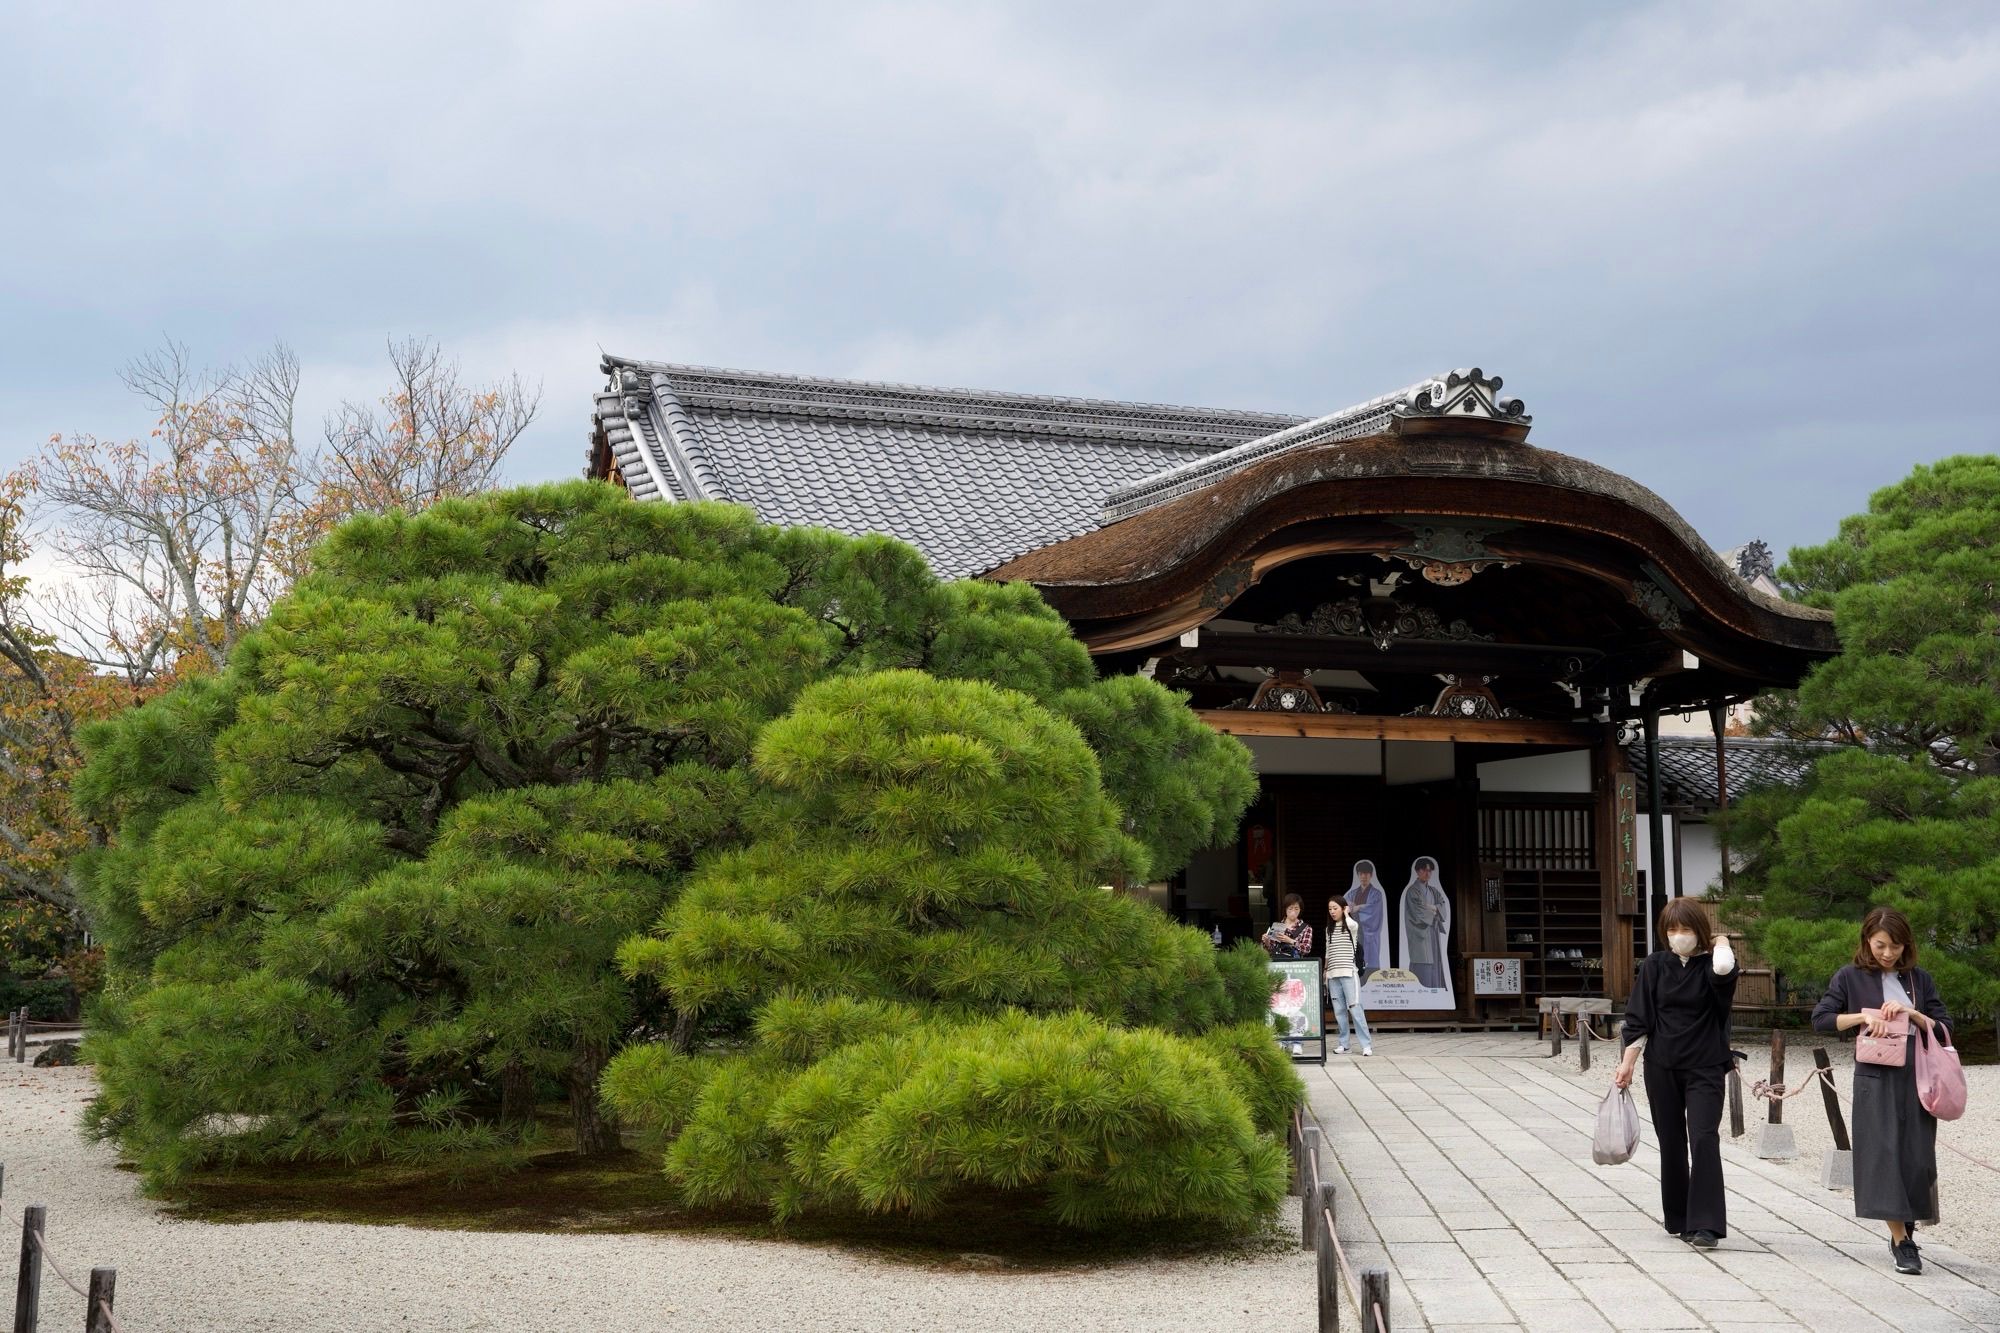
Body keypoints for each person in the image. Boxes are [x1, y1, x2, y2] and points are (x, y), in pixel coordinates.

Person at [1810, 907, 1951, 1276]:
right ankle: (1902, 1241)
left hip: (1917, 1073)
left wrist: (1916, 1015)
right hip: (1874, 1075)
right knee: (1883, 1154)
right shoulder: (1849, 976)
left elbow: (1945, 1027)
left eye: (1896, 946)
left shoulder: (1920, 980)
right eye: (1880, 945)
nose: (1888, 953)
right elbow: (1821, 1019)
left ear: (1907, 945)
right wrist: (1862, 1017)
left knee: (1916, 1155)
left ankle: (1905, 1226)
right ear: (1867, 941)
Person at [1612, 897, 1737, 1249]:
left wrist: (1723, 942)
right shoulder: (1654, 965)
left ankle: (1707, 1225)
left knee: (1703, 1138)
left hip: (1706, 1065)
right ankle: (1679, 1217)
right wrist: (1627, 1063)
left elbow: (1725, 967)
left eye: (1685, 929)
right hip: (1662, 1065)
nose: (1678, 936)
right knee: (1671, 1142)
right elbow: (1640, 1018)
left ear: (1700, 931)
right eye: (1672, 929)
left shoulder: (1714, 966)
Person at [1324, 898, 1373, 1056]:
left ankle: (1366, 1045)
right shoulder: (1328, 929)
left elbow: (1353, 925)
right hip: (1333, 975)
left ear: (1343, 908)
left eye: (1335, 908)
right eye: (1330, 908)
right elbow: (1328, 952)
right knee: (1339, 1011)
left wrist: (1346, 913)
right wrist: (1326, 971)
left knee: (1355, 1008)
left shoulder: (1351, 926)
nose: (1332, 911)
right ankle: (1344, 1044)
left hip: (1349, 973)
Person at [1399, 857, 1450, 990]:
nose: (1427, 873)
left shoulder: (1433, 890)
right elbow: (1418, 912)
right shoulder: (1412, 891)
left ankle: (1435, 989)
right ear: (1417, 871)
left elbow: (1442, 905)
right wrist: (1435, 908)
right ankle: (1421, 990)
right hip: (1419, 933)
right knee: (1422, 959)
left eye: (1429, 871)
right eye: (1424, 870)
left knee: (1435, 959)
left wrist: (1432, 907)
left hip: (1433, 931)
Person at [1344, 860, 1387, 981]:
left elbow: (1374, 912)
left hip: (1368, 933)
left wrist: (1358, 907)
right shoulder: (1352, 894)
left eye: (1366, 874)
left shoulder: (1376, 894)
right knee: (1355, 965)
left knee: (1369, 967)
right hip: (1355, 934)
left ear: (1371, 875)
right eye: (1361, 874)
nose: (1363, 876)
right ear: (1358, 875)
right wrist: (1351, 907)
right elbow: (1344, 907)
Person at [1262, 893, 1312, 960]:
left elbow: (1306, 949)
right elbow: (1271, 950)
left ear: (1300, 910)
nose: (1293, 912)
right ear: (1285, 909)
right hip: (1278, 963)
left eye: (1296, 909)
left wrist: (1290, 941)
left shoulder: (1306, 928)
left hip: (1296, 965)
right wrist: (1267, 942)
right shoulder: (1278, 926)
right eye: (1290, 908)